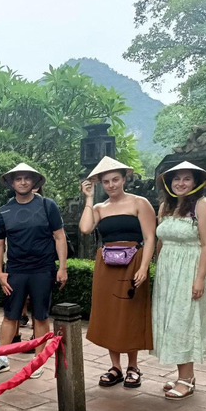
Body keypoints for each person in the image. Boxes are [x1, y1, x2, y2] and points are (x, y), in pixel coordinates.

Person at [79, 156, 156, 388]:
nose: (111, 185)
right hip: (106, 264)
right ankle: (116, 367)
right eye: (106, 182)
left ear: (124, 179)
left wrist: (144, 267)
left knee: (129, 312)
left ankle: (133, 366)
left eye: (115, 180)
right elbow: (85, 228)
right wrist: (89, 199)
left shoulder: (139, 203)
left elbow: (150, 236)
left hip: (133, 260)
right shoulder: (99, 208)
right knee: (110, 313)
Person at [0, 164, 67, 378]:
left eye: (27, 178)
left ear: (34, 182)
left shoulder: (48, 206)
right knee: (10, 315)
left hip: (43, 268)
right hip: (16, 270)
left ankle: (38, 361)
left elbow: (59, 237)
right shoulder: (4, 211)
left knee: (40, 316)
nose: (22, 182)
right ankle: (2, 358)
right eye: (18, 179)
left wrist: (63, 267)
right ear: (11, 183)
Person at [152, 162, 206, 400]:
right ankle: (183, 375)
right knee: (170, 320)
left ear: (195, 181)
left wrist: (199, 279)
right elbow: (161, 239)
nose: (180, 183)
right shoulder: (165, 207)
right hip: (168, 271)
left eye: (186, 178)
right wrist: (158, 266)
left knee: (184, 321)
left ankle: (187, 378)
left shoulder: (202, 205)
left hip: (189, 269)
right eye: (176, 179)